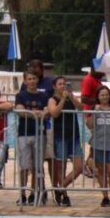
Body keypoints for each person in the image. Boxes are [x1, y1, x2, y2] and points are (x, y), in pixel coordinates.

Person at [45, 77, 84, 206]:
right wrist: (62, 99)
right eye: (60, 84)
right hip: (60, 136)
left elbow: (81, 108)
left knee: (79, 166)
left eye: (64, 84)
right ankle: (64, 195)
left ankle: (60, 187)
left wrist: (71, 97)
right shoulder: (53, 99)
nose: (62, 86)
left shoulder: (70, 98)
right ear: (54, 86)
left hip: (74, 136)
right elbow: (54, 113)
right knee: (61, 167)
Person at [15, 71, 50, 205]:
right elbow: (20, 112)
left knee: (37, 165)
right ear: (25, 81)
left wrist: (31, 113)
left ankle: (33, 192)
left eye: (34, 78)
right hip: (24, 133)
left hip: (40, 134)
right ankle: (22, 193)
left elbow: (47, 113)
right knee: (24, 165)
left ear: (37, 80)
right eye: (29, 79)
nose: (32, 81)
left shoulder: (44, 95)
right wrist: (36, 114)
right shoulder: (21, 95)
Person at [87, 86, 110, 207]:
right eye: (102, 95)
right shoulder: (94, 109)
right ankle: (105, 197)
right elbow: (89, 125)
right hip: (98, 143)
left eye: (107, 94)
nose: (105, 97)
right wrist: (94, 113)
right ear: (98, 97)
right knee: (101, 171)